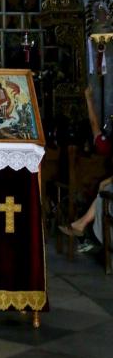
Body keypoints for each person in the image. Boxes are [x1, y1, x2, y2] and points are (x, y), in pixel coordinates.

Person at [59, 86, 112, 247]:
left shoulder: (104, 145)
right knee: (101, 193)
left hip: (98, 185)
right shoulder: (105, 144)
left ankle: (81, 227)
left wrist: (88, 100)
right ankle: (81, 227)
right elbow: (95, 126)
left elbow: (94, 125)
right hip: (101, 185)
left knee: (101, 193)